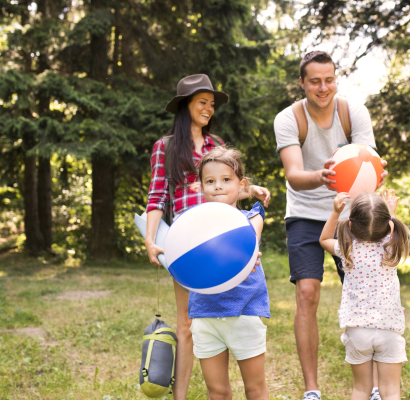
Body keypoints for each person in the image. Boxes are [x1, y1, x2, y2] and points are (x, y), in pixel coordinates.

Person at [145, 74, 271, 400]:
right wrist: (150, 239)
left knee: (220, 308)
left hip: (222, 239)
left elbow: (232, 182)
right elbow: (157, 196)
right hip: (187, 243)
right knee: (187, 321)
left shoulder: (216, 145)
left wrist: (253, 189)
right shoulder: (167, 146)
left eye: (212, 104)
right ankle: (180, 396)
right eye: (202, 102)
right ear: (186, 105)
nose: (208, 109)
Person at [273, 50, 388, 400]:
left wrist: (369, 183)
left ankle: (377, 387)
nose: (323, 88)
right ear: (302, 83)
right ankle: (312, 389)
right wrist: (324, 178)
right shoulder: (288, 118)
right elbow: (293, 176)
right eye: (315, 81)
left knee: (370, 290)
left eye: (329, 79)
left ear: (336, 78)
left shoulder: (353, 112)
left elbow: (368, 164)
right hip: (306, 214)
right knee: (307, 294)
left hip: (352, 214)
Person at [188, 146, 270, 400]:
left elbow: (247, 247)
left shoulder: (252, 217)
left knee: (255, 389)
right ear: (202, 187)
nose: (218, 186)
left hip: (243, 312)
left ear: (240, 184)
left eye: (226, 180)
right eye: (210, 181)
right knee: (217, 391)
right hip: (205, 313)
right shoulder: (192, 223)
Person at [319, 190, 410, 400]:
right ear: (388, 224)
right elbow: (394, 231)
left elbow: (324, 239)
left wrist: (335, 212)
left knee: (361, 390)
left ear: (350, 224)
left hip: (357, 331)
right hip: (389, 330)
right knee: (391, 392)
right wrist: (392, 213)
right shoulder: (392, 249)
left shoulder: (347, 248)